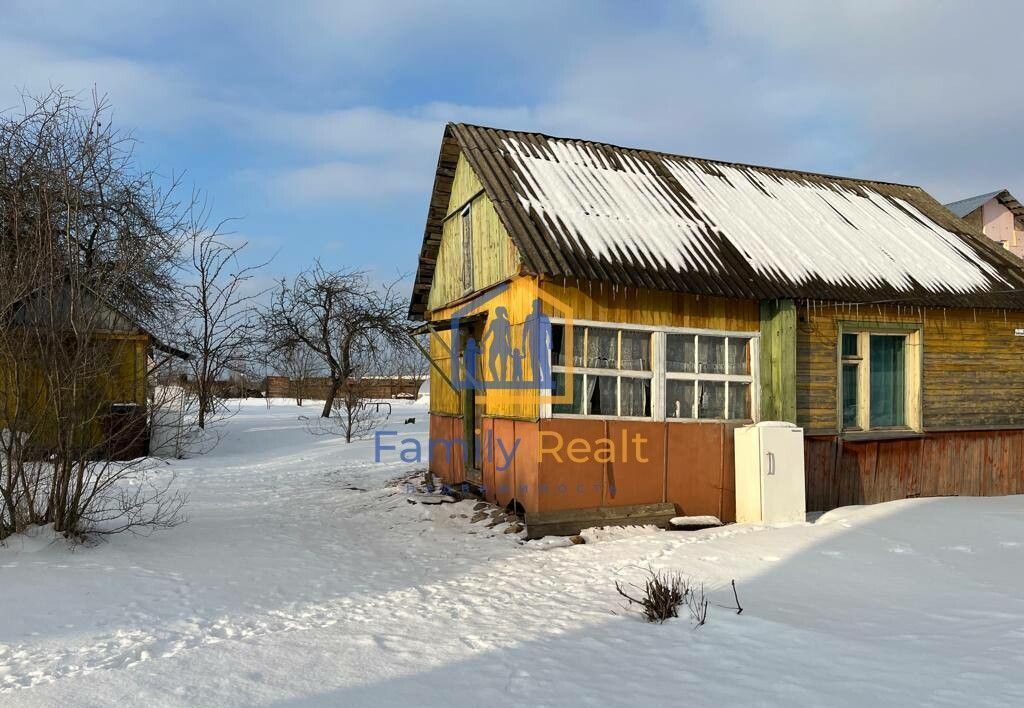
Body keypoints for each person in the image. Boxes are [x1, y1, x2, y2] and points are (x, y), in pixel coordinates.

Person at [522, 298, 552, 387]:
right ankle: (537, 380)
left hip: (542, 343)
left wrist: (550, 342)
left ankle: (547, 380)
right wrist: (523, 345)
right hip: (532, 343)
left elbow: (549, 329)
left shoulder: (544, 317)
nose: (536, 307)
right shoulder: (529, 317)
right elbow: (525, 332)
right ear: (532, 307)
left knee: (544, 362)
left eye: (538, 306)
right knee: (534, 362)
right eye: (535, 306)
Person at [481, 306, 512, 383]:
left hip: (501, 343)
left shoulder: (506, 322)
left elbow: (509, 336)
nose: (496, 313)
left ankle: (502, 381)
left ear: (500, 313)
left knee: (502, 364)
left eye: (497, 311)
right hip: (498, 343)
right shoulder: (494, 322)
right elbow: (489, 332)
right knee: (492, 363)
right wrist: (482, 341)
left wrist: (510, 347)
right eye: (496, 311)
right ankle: (497, 380)